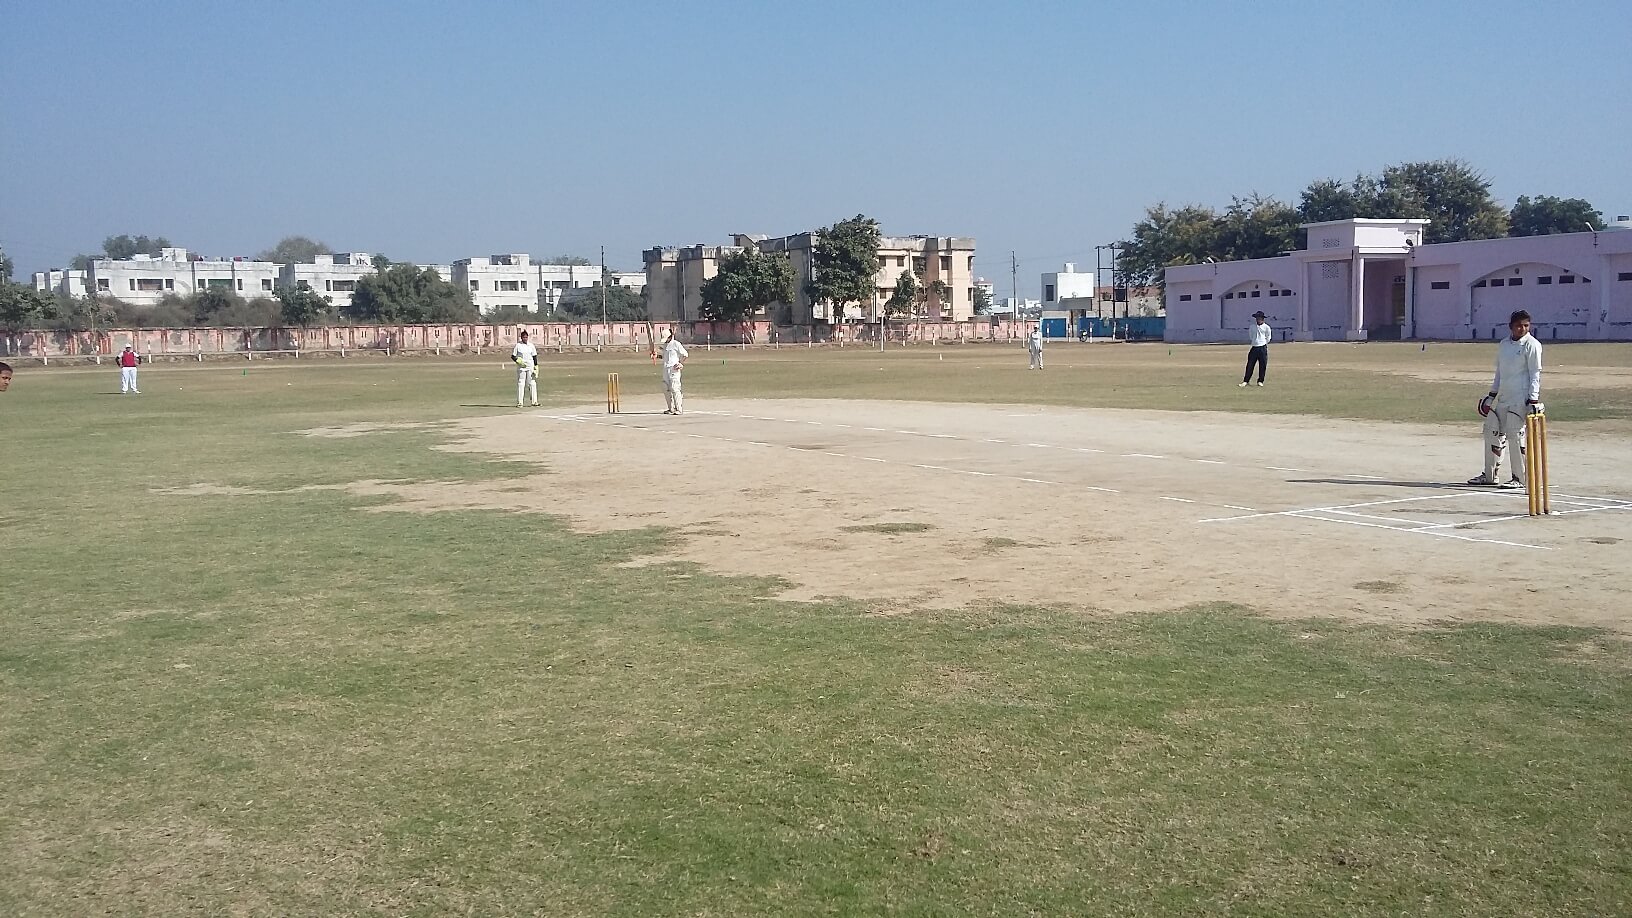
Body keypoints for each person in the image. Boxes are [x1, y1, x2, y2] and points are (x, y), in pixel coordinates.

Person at [1469, 309, 1543, 488]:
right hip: (1504, 396)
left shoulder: (1532, 345)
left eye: (1526, 325)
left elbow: (1535, 373)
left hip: (1521, 398)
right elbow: (1500, 373)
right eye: (1519, 325)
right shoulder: (1504, 344)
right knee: (1491, 431)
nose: (1522, 329)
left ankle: (1519, 478)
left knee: (1515, 436)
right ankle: (1490, 475)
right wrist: (1491, 395)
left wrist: (1533, 399)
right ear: (1511, 327)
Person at [1239, 311, 1271, 387]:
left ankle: (1260, 381)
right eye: (1257, 318)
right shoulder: (1252, 327)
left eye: (1259, 318)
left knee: (1262, 365)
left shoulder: (1266, 327)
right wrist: (1255, 342)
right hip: (1254, 347)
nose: (1258, 319)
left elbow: (1268, 337)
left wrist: (1263, 343)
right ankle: (1246, 381)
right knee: (1250, 364)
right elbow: (1251, 336)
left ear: (1262, 319)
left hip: (1262, 347)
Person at [661, 328, 689, 415]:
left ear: (670, 336)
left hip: (674, 369)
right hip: (666, 369)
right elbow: (664, 357)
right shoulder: (665, 345)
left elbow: (685, 354)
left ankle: (679, 409)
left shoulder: (676, 344)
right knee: (665, 388)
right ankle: (671, 408)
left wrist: (680, 363)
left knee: (675, 388)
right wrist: (655, 355)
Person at [512, 331, 539, 407]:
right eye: (524, 337)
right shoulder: (518, 345)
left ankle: (534, 401)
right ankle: (520, 402)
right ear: (521, 338)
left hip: (530, 366)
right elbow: (513, 356)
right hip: (522, 367)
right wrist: (518, 361)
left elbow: (534, 356)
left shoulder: (531, 345)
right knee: (521, 383)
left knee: (532, 383)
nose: (525, 338)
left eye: (526, 337)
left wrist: (536, 366)